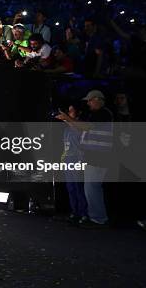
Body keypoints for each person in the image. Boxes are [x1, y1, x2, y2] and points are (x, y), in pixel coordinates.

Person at [57, 90, 113, 228]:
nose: (88, 103)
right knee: (90, 189)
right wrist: (67, 119)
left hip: (99, 158)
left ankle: (98, 219)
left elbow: (85, 127)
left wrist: (67, 119)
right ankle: (95, 217)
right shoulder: (95, 115)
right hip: (92, 157)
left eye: (90, 100)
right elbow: (82, 128)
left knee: (91, 189)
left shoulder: (103, 113)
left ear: (98, 99)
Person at [55, 105, 88, 223]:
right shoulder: (66, 130)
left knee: (79, 187)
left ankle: (84, 214)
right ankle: (75, 212)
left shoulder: (81, 125)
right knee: (71, 188)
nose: (69, 113)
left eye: (71, 111)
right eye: (68, 111)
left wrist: (66, 118)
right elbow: (66, 146)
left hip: (78, 159)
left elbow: (78, 129)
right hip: (68, 160)